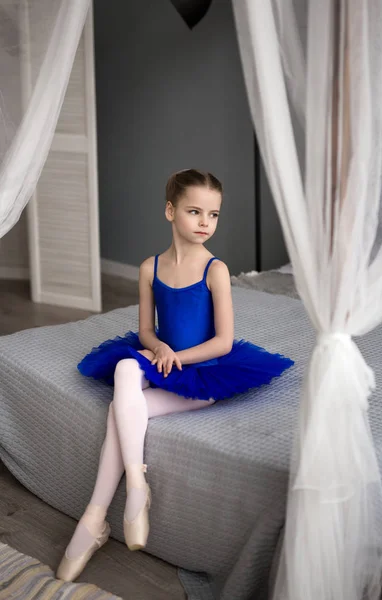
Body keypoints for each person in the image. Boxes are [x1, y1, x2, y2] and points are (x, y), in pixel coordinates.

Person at [56, 168, 293, 581]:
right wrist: (160, 347)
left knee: (120, 410)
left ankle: (93, 520)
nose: (205, 223)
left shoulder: (215, 270)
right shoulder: (150, 268)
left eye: (214, 214)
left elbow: (223, 341)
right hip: (163, 359)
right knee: (128, 363)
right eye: (195, 211)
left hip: (203, 376)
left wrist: (176, 356)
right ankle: (136, 487)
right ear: (170, 211)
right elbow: (147, 330)